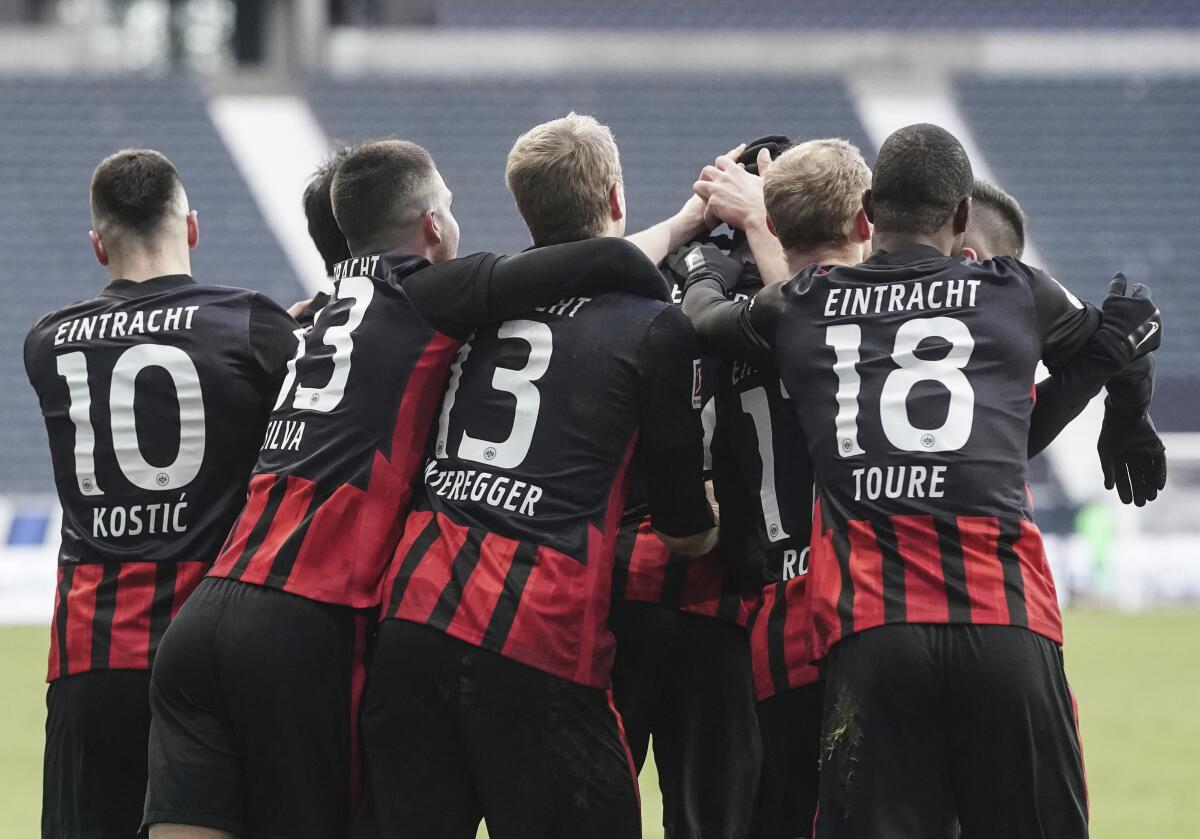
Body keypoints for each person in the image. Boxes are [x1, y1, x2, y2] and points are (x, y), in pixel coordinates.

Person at [142, 138, 671, 839]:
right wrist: (688, 235)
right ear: (431, 226)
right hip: (305, 622)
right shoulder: (422, 293)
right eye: (450, 208)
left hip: (205, 615)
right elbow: (610, 259)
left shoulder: (327, 308)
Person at [681, 123, 1162, 839]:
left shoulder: (808, 303)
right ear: (962, 217)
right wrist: (1127, 417)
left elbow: (706, 321)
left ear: (869, 209)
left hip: (875, 635)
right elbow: (1124, 337)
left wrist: (701, 268)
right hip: (1005, 624)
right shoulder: (1015, 288)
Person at [361, 114, 718, 839]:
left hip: (412, 618)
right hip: (534, 629)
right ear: (616, 199)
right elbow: (684, 529)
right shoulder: (655, 326)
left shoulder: (470, 305)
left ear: (524, 210)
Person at [24, 149, 298, 839]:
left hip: (93, 656)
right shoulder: (252, 326)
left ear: (97, 245)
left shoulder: (48, 342)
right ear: (193, 228)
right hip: (211, 656)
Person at [963, 180, 1165, 503]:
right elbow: (1124, 348)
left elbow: (1127, 348)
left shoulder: (1019, 295)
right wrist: (1128, 408)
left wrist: (1126, 406)